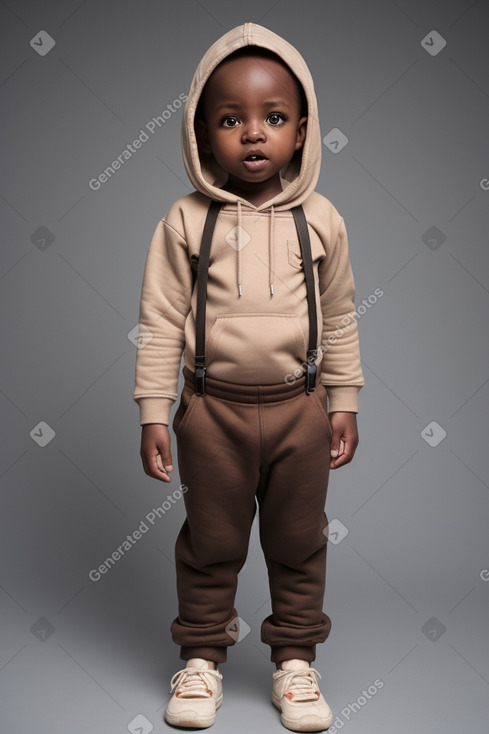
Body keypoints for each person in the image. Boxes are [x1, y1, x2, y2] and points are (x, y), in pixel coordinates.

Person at [133, 22, 365, 732]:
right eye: (231, 120)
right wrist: (153, 409)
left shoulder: (320, 219)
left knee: (299, 539)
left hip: (299, 408)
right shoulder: (184, 222)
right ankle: (200, 659)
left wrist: (344, 400)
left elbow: (342, 317)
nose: (254, 134)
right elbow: (160, 320)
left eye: (274, 118)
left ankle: (295, 662)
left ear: (302, 131)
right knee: (212, 540)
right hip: (212, 412)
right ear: (202, 136)